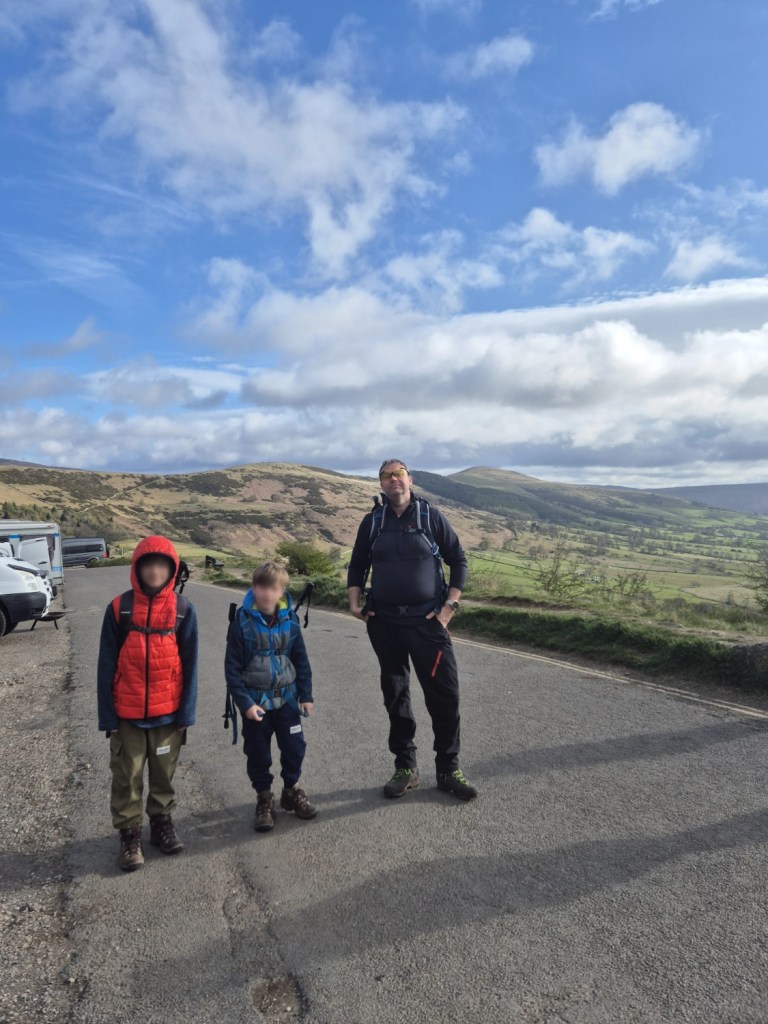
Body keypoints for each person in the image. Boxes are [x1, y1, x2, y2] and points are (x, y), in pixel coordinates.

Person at [347, 458, 477, 801]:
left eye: (398, 475)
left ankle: (449, 769)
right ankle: (405, 767)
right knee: (396, 693)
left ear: (410, 480)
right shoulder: (373, 521)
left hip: (427, 623)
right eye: (386, 476)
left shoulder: (430, 516)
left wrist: (449, 608)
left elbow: (458, 559)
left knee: (444, 695)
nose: (393, 481)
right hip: (385, 623)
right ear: (380, 484)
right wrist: (354, 602)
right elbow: (358, 562)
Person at [97, 536, 198, 872]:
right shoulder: (118, 609)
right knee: (127, 776)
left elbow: (191, 663)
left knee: (163, 774)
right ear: (137, 568)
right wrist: (107, 716)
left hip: (168, 714)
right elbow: (106, 665)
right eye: (148, 564)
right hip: (126, 716)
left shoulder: (183, 610)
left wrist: (187, 712)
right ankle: (129, 835)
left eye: (162, 565)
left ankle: (161, 824)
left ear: (171, 570)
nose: (154, 571)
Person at [224, 561, 316, 832]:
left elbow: (301, 660)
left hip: (287, 701)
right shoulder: (241, 624)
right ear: (254, 588)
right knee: (258, 754)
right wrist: (245, 704)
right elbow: (232, 670)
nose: (266, 593)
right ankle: (264, 798)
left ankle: (291, 791)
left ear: (281, 591)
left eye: (273, 588)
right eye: (261, 587)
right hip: (256, 705)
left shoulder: (291, 621)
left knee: (295, 748)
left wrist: (306, 695)